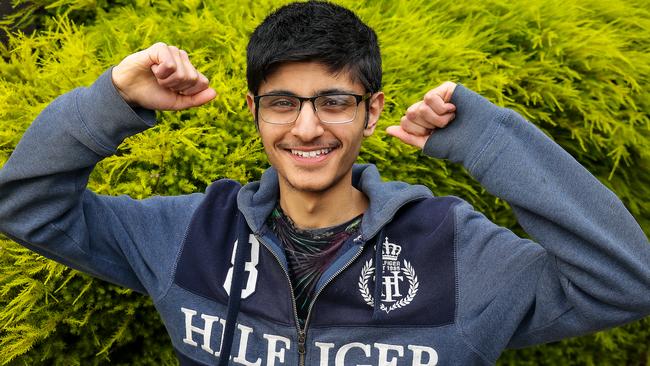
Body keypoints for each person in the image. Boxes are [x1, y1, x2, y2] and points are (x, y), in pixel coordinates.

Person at [0, 1, 648, 365]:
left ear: (372, 111)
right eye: (283, 103)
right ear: (254, 113)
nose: (307, 128)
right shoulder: (186, 232)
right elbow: (27, 208)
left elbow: (626, 281)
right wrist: (111, 100)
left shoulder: (456, 251)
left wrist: (488, 141)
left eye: (335, 101)